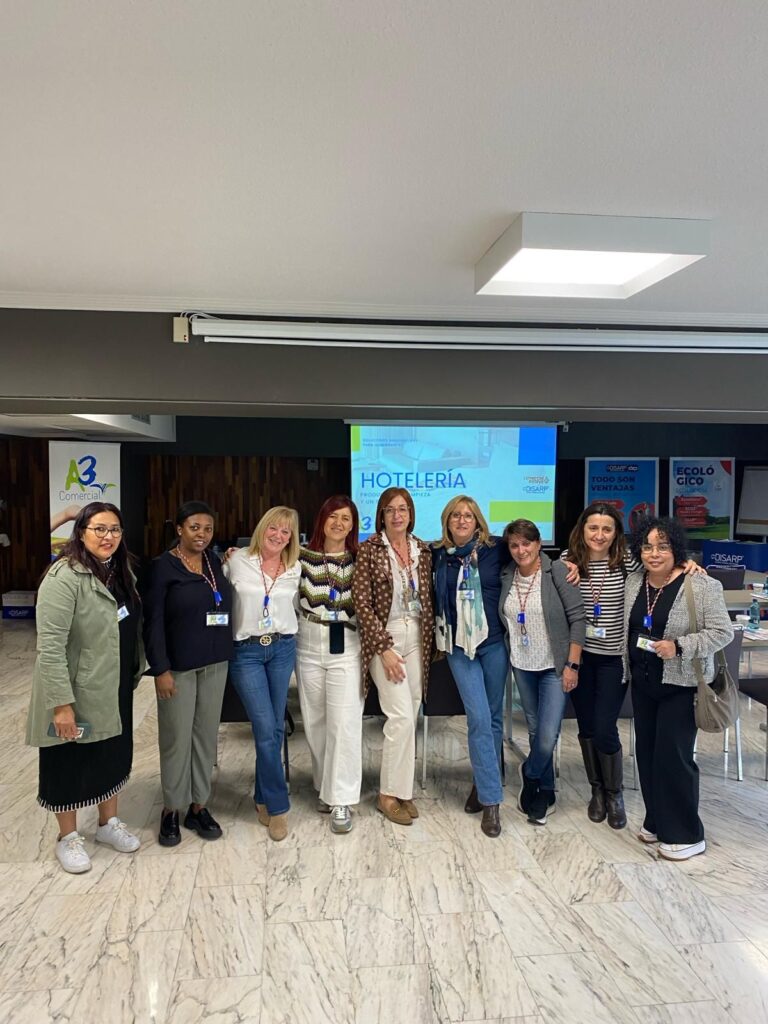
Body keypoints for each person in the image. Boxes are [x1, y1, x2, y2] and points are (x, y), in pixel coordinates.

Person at [562, 503, 707, 830]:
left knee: (604, 726)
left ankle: (615, 793)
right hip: (580, 657)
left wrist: (687, 563)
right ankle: (597, 790)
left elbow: (662, 565)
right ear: (582, 530)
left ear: (617, 533)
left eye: (607, 529)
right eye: (593, 528)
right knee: (586, 726)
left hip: (615, 659)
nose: (599, 535)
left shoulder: (628, 561)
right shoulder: (568, 561)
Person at [26, 502, 143, 874]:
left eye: (115, 529)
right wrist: (61, 704)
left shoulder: (121, 571)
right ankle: (68, 837)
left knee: (111, 752)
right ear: (81, 532)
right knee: (68, 761)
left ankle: (108, 824)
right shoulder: (64, 576)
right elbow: (50, 647)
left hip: (114, 682)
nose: (108, 537)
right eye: (99, 529)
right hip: (76, 690)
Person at [625, 515, 732, 861]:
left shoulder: (700, 585)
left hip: (681, 685)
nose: (654, 554)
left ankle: (686, 833)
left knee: (674, 758)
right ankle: (657, 820)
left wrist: (680, 646)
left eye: (663, 547)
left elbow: (722, 632)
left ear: (676, 549)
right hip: (644, 683)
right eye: (647, 547)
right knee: (647, 755)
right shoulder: (635, 580)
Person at [143, 500, 233, 847]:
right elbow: (153, 623)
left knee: (205, 737)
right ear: (179, 529)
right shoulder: (162, 568)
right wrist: (161, 669)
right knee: (176, 738)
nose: (202, 534)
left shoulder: (214, 562)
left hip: (215, 663)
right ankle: (171, 808)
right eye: (194, 527)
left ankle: (198, 805)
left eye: (208, 529)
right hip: (177, 668)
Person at [352, 487, 434, 826]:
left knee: (410, 714)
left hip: (417, 635)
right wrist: (383, 648)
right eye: (390, 510)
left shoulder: (422, 550)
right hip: (385, 637)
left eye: (403, 509)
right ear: (381, 515)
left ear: (411, 514)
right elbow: (361, 603)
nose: (397, 515)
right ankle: (387, 794)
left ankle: (403, 790)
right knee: (399, 716)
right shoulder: (369, 550)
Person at [432, 495, 510, 838]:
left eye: (468, 515)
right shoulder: (438, 554)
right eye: (455, 516)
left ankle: (483, 782)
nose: (462, 520)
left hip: (493, 644)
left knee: (492, 719)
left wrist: (567, 563)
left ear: (478, 521)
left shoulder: (497, 549)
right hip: (458, 647)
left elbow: (531, 556)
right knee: (478, 717)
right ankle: (492, 802)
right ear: (447, 521)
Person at [500, 518, 585, 826]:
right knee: (535, 729)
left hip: (555, 666)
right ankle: (545, 790)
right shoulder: (506, 574)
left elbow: (578, 619)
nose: (521, 550)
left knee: (548, 734)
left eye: (526, 543)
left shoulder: (558, 572)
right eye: (514, 545)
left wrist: (572, 665)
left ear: (538, 544)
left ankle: (530, 771)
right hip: (522, 664)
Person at [225, 506, 301, 842]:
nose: (278, 536)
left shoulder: (295, 566)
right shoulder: (237, 560)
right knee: (265, 727)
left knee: (274, 727)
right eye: (274, 528)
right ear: (262, 528)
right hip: (247, 653)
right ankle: (279, 806)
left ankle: (261, 796)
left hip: (283, 648)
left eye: (286, 531)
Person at [295, 496, 362, 835]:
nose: (338, 523)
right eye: (333, 516)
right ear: (321, 519)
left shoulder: (361, 559)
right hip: (308, 644)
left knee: (344, 724)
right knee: (316, 722)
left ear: (353, 526)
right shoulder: (300, 556)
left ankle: (342, 800)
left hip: (347, 645)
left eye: (346, 518)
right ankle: (325, 787)